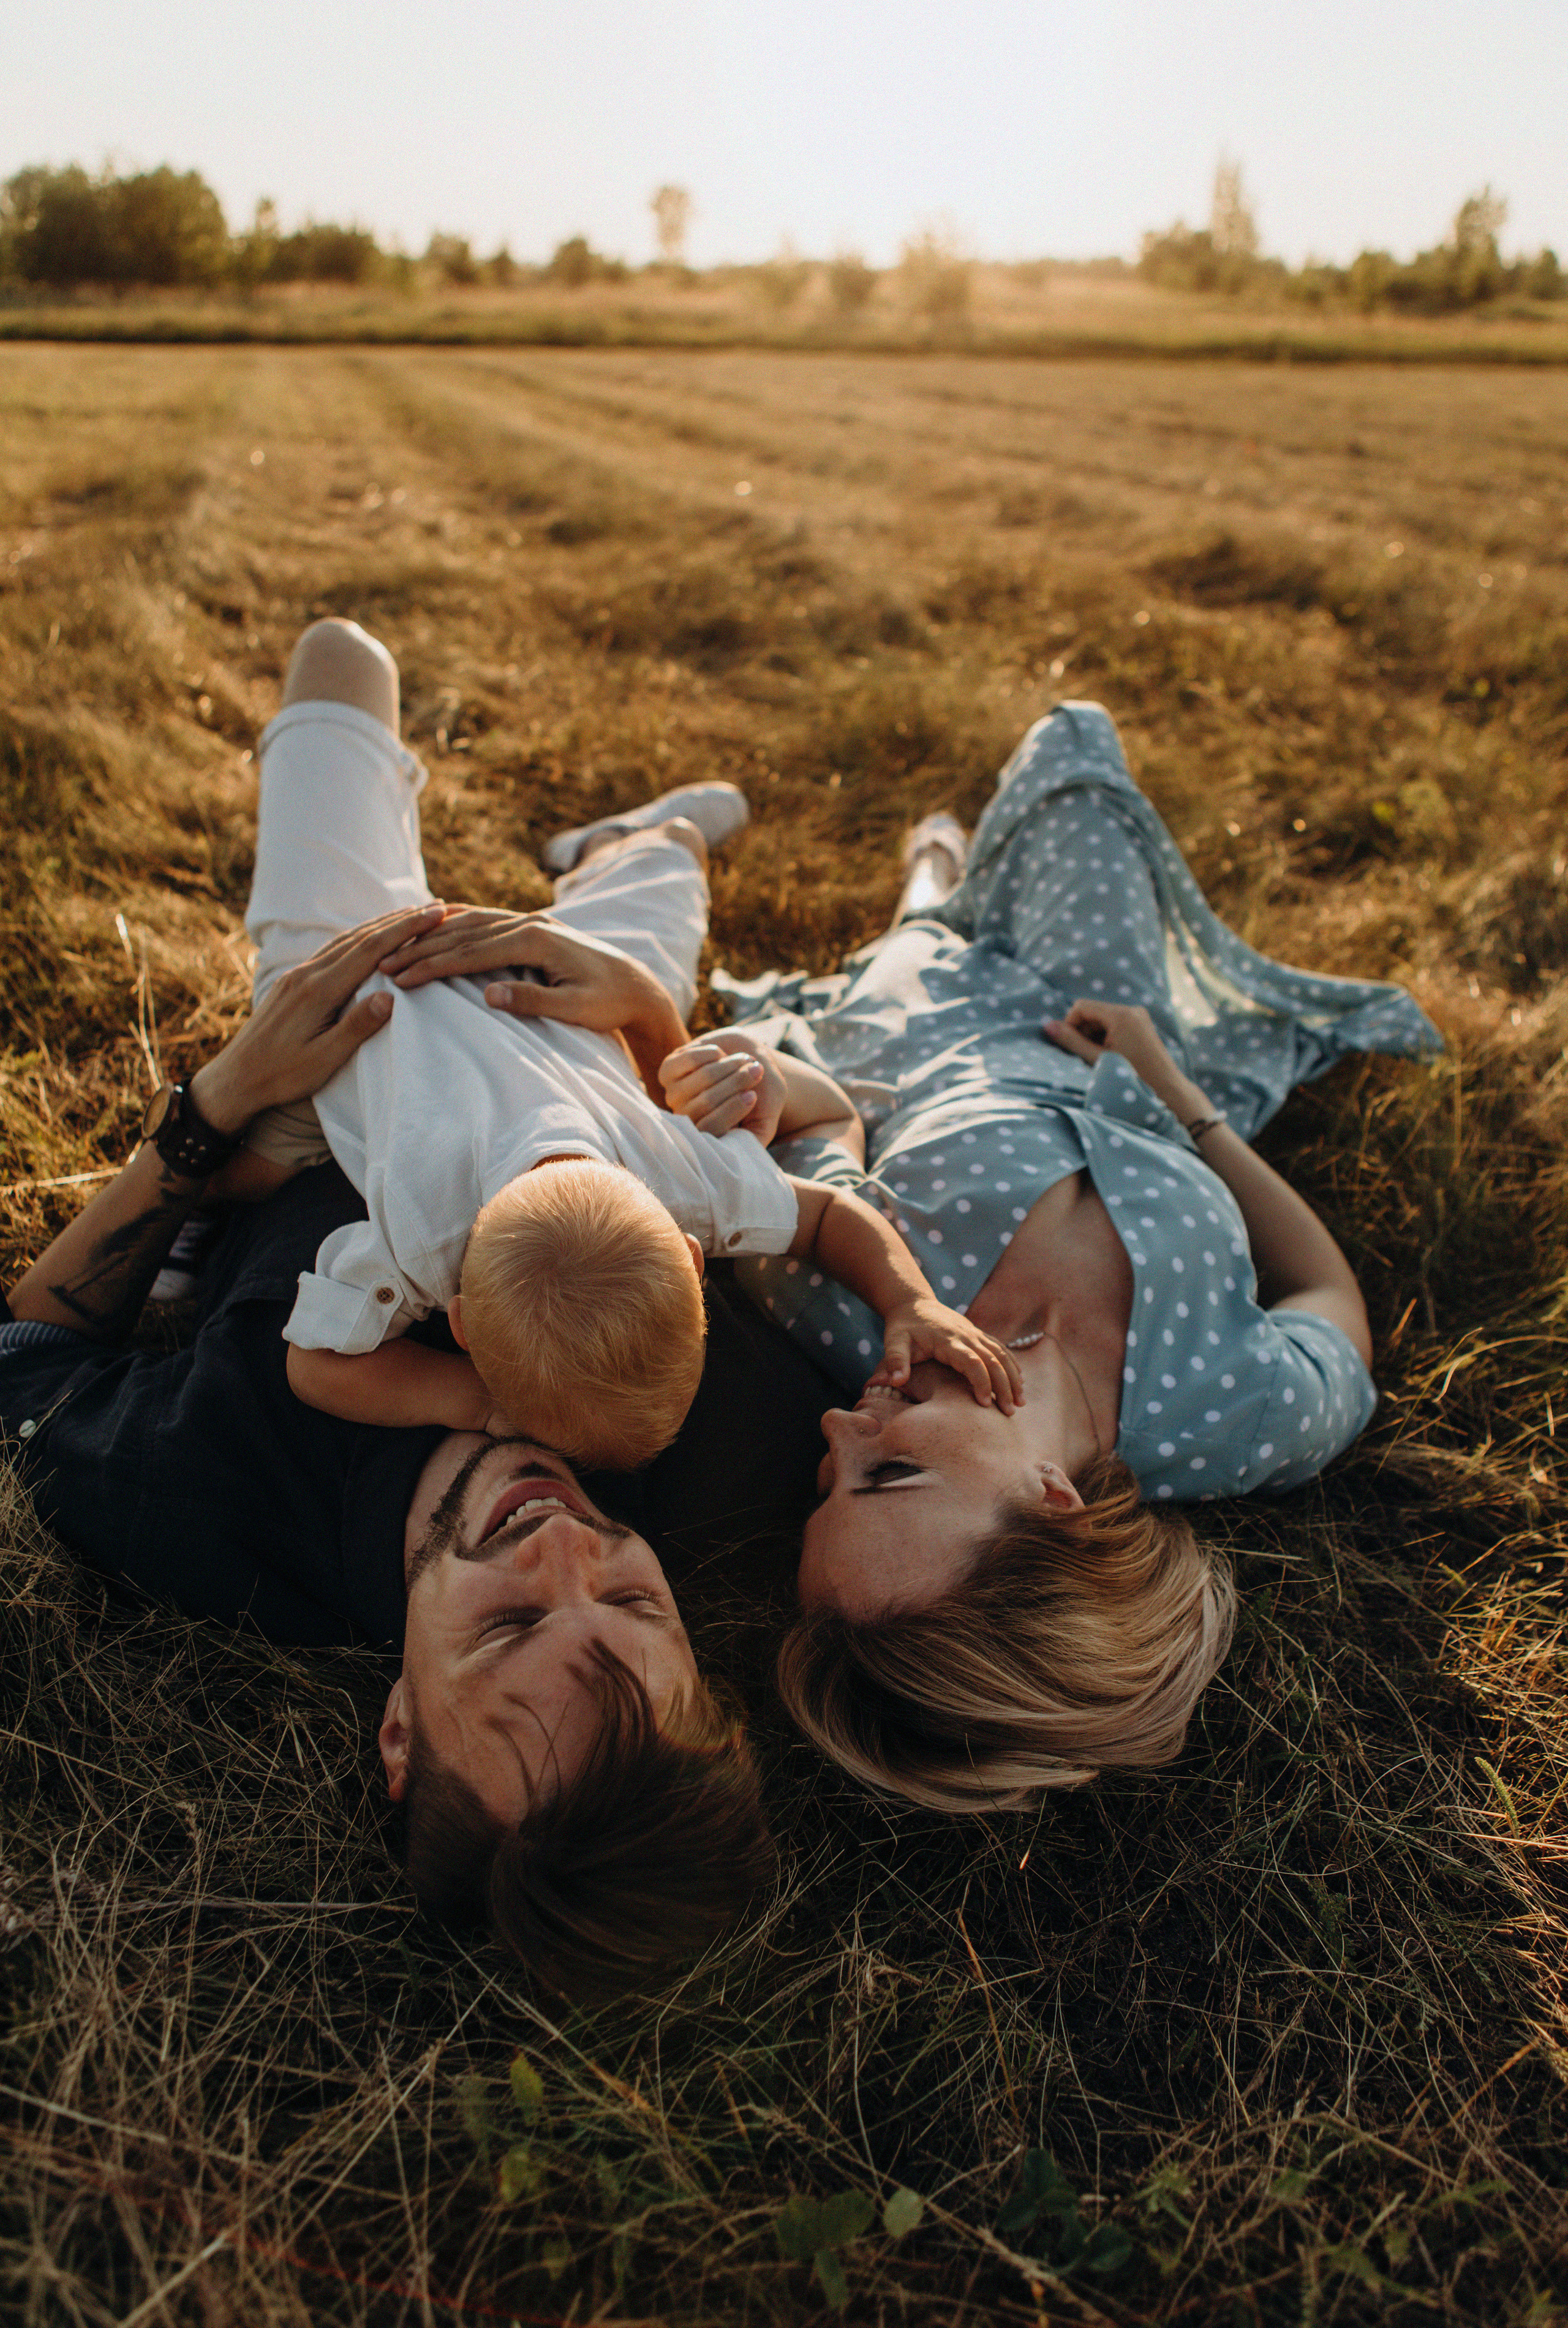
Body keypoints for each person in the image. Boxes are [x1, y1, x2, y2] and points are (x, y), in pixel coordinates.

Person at [0, 633, 837, 1995]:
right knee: (659, 900)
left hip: (355, 1011)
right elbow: (821, 1141)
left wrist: (210, 1113)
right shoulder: (738, 1426)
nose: (563, 1543)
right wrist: (646, 1016)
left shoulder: (208, 1499)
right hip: (573, 1038)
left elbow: (27, 1352)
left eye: (509, 1629)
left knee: (340, 659)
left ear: (400, 1733)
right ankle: (643, 841)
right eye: (632, 1596)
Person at [703, 700, 1442, 1812]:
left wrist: (766, 1089)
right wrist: (1178, 1092)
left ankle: (931, 881)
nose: (838, 1426)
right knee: (1076, 743)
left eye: (824, 1480)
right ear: (1052, 1502)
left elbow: (831, 1121)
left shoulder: (851, 1307)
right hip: (1108, 1032)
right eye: (888, 1470)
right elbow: (1326, 1292)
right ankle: (936, 879)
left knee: (913, 948)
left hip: (910, 1025)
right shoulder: (1239, 1415)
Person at [255, 626, 1019, 1464]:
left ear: (693, 1262)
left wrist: (914, 1303)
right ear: (695, 1259)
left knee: (344, 656)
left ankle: (623, 848)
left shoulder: (674, 1183)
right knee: (667, 871)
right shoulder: (426, 1242)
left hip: (354, 970)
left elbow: (831, 1218)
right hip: (476, 990)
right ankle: (636, 845)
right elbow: (315, 1362)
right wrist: (466, 1399)